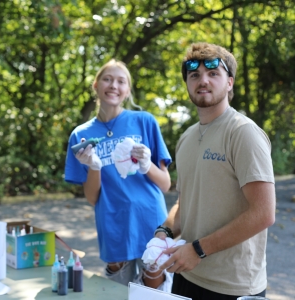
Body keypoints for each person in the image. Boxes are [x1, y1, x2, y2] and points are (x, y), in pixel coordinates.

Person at [156, 42, 275, 300]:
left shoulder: (243, 133)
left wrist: (198, 250)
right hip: (187, 276)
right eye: (194, 75)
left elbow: (264, 213)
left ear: (229, 82)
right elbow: (186, 201)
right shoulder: (186, 138)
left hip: (232, 286)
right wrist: (164, 232)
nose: (203, 80)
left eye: (213, 74)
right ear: (187, 83)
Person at [64, 59, 172, 289]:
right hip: (113, 223)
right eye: (107, 79)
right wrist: (94, 166)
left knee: (154, 292)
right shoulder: (81, 135)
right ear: (95, 85)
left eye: (120, 81)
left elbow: (165, 185)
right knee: (118, 293)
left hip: (152, 221)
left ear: (127, 91)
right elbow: (93, 198)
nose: (114, 85)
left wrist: (146, 164)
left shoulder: (145, 121)